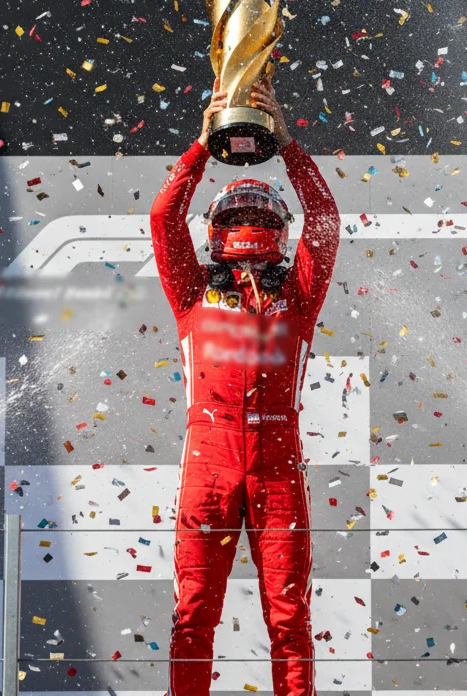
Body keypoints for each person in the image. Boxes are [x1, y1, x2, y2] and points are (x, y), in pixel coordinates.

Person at [151, 75, 339, 696]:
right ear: (218, 229)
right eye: (241, 213)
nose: (251, 223)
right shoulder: (191, 290)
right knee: (192, 615)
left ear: (279, 231)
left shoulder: (299, 295)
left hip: (278, 466)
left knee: (290, 620)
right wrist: (205, 144)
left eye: (262, 214)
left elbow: (326, 218)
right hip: (208, 461)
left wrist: (284, 143)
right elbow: (163, 214)